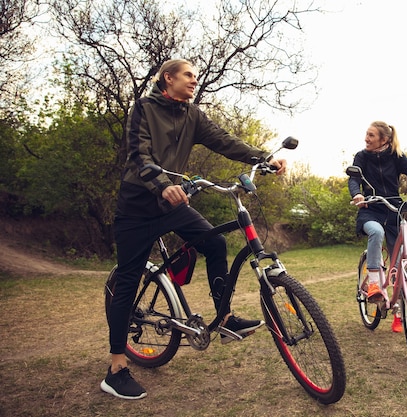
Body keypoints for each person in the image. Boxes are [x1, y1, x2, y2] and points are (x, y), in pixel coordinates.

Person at [100, 59, 287, 400]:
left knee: (215, 244)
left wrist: (262, 158)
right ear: (167, 78)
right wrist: (161, 184)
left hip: (172, 205)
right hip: (137, 207)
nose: (193, 81)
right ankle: (116, 368)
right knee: (127, 281)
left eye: (196, 77)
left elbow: (223, 140)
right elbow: (139, 155)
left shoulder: (193, 115)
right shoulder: (143, 108)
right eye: (188, 75)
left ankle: (225, 317)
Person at [348, 121, 407, 332]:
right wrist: (357, 194)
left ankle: (399, 311)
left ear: (384, 140)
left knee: (401, 265)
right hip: (371, 208)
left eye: (371, 135)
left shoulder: (396, 157)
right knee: (376, 231)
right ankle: (374, 281)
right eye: (367, 134)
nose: (366, 138)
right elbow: (353, 179)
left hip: (394, 210)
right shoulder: (361, 157)